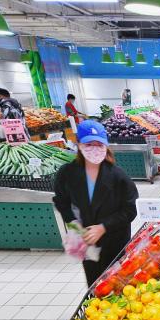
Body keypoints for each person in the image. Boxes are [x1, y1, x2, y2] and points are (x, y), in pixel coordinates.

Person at [53, 120, 139, 286]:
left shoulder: (118, 176)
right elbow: (61, 201)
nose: (94, 149)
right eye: (89, 144)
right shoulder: (67, 174)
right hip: (87, 242)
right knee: (95, 285)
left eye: (99, 145)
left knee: (118, 283)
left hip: (115, 240)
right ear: (79, 144)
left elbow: (130, 209)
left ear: (106, 146)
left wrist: (103, 227)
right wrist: (74, 224)